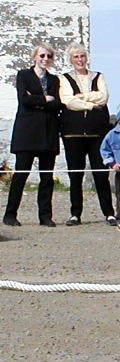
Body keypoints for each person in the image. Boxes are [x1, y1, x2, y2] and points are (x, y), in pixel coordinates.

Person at [58, 42, 116, 226]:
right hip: (72, 133)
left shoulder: (98, 76)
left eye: (82, 56)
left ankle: (109, 212)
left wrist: (81, 97)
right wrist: (91, 103)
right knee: (75, 174)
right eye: (76, 57)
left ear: (87, 58)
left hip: (97, 133)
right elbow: (68, 101)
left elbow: (104, 96)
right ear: (71, 59)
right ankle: (75, 213)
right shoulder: (64, 78)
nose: (80, 60)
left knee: (101, 173)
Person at [3, 43, 61, 227]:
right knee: (21, 175)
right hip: (27, 133)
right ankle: (10, 214)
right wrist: (44, 99)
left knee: (46, 178)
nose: (45, 59)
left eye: (49, 56)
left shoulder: (54, 80)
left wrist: (38, 100)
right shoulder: (23, 75)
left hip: (48, 133)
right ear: (35, 57)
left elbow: (57, 104)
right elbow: (24, 100)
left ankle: (45, 216)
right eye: (42, 55)